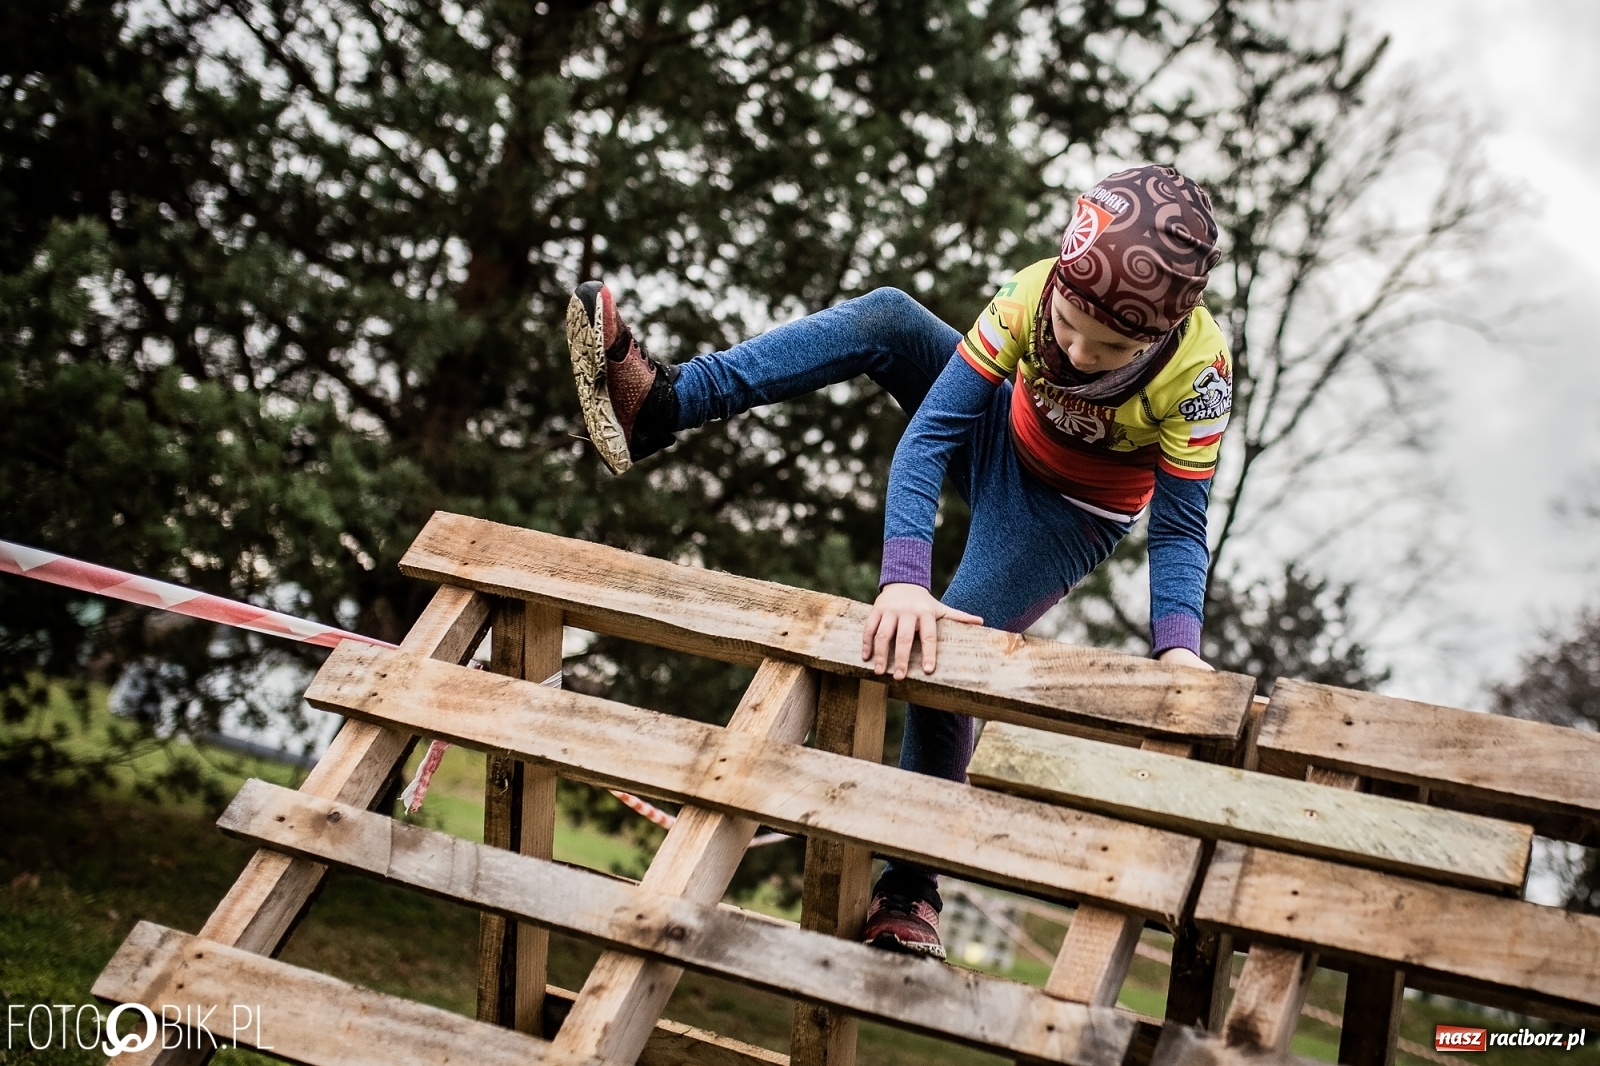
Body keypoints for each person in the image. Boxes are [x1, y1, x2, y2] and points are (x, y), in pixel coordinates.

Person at [566, 164, 1228, 959]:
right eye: (1070, 321)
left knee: (946, 655)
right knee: (887, 317)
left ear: (1158, 335)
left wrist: (1179, 650)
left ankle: (911, 887)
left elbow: (1180, 528)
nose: (1079, 351)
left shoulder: (1200, 377)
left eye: (1111, 346)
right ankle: (666, 403)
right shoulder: (1027, 294)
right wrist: (903, 580)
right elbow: (931, 434)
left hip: (1069, 513)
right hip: (996, 433)